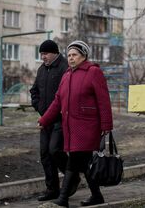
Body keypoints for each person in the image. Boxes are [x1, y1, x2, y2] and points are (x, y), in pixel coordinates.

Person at [38, 40, 113, 207]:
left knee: (74, 161)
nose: (71, 58)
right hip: (71, 127)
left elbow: (103, 100)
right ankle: (96, 196)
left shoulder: (93, 72)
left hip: (88, 126)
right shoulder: (67, 75)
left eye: (75, 55)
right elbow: (57, 101)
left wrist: (106, 125)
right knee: (84, 162)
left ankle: (63, 199)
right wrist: (44, 120)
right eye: (69, 55)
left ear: (83, 56)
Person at [30, 39, 69, 201]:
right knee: (45, 154)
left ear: (54, 53)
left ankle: (71, 177)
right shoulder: (42, 69)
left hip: (60, 119)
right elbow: (34, 91)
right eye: (41, 54)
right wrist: (39, 107)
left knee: (55, 150)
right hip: (45, 119)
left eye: (45, 54)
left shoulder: (65, 68)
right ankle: (52, 189)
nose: (43, 57)